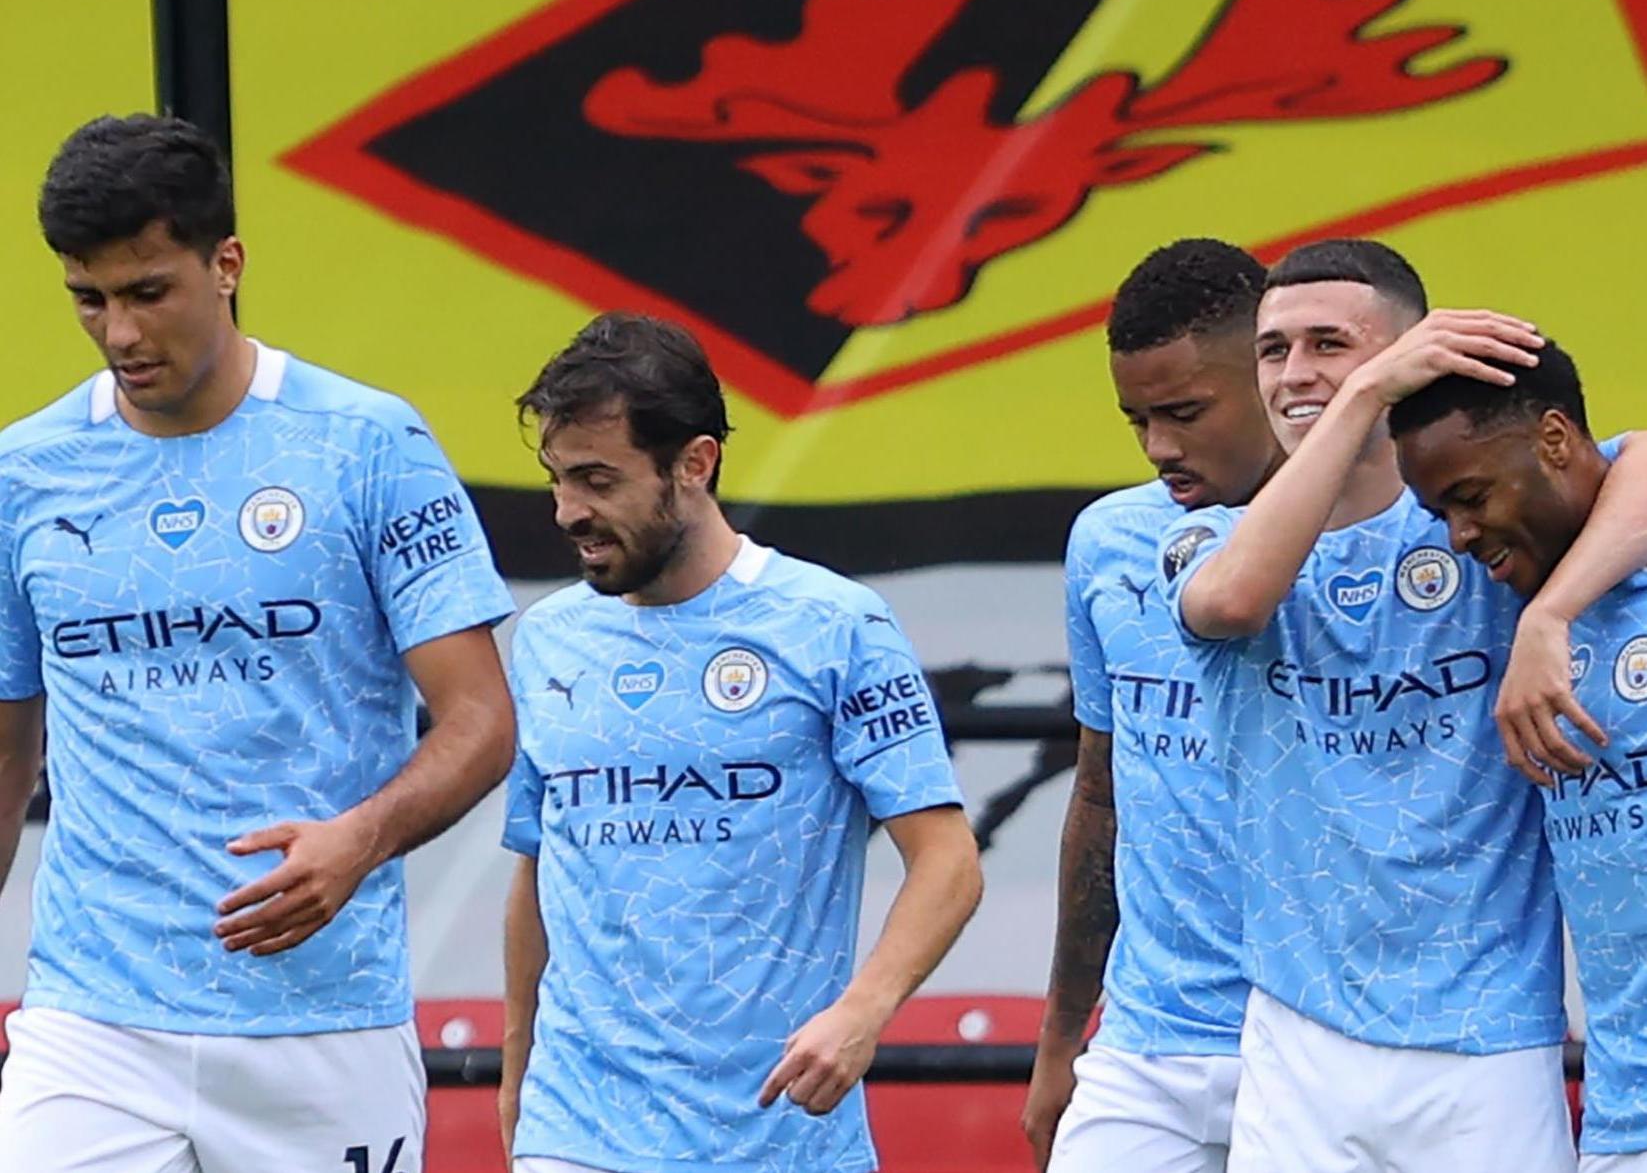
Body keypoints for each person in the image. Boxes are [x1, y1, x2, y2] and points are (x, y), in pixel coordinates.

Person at [0, 114, 518, 1173]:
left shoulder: (370, 443)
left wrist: (360, 839)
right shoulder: (24, 473)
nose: (122, 333)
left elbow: (481, 720)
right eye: (88, 299)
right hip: (92, 1023)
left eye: (149, 291)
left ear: (226, 263)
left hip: (322, 1019)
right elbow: (7, 752)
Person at [1156, 238, 1646, 1173]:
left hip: (1488, 1029)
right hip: (1299, 1027)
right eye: (1271, 349)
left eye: (1330, 345)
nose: (1297, 373)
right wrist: (1363, 395)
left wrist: (1548, 613)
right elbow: (1228, 607)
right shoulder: (1205, 541)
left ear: (1411, 349)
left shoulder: (1490, 522)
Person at [498, 312, 983, 1173]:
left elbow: (947, 859)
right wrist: (515, 1075)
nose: (568, 510)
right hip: (578, 1134)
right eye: (557, 479)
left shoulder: (834, 624)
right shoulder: (546, 638)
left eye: (597, 480)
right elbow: (540, 867)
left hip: (780, 1138)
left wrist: (862, 1011)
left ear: (694, 464)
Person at [1022, 239, 1283, 1173]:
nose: (1159, 447)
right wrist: (1062, 1035)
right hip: (1144, 1038)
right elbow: (1100, 795)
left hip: (1312, 1038)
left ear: (1269, 372)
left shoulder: (1380, 530)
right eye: (1136, 419)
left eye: (1183, 412)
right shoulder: (1108, 540)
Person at [1392, 343, 1647, 1172]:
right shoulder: (1493, 592)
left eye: (1469, 497)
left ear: (1551, 439)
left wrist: (1550, 618)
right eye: (1441, 515)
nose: (1461, 536)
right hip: (1623, 1115)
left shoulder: (1545, 599)